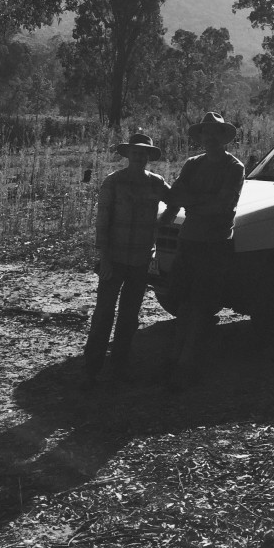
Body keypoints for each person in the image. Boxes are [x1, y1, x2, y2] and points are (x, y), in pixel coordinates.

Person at [162, 111, 245, 390]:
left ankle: (187, 365)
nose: (209, 139)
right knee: (183, 302)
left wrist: (191, 203)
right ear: (201, 138)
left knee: (201, 305)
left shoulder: (234, 167)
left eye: (215, 134)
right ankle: (176, 360)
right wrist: (166, 219)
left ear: (223, 138)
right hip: (190, 241)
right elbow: (175, 197)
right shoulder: (192, 164)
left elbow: (223, 206)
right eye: (205, 134)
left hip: (215, 244)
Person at [83, 130, 172, 385]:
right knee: (103, 314)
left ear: (148, 157)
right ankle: (91, 369)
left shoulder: (156, 182)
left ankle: (119, 367)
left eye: (143, 153)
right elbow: (103, 222)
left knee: (129, 315)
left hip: (141, 260)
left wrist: (162, 222)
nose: (139, 157)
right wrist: (105, 258)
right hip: (115, 258)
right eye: (135, 152)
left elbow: (176, 200)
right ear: (128, 155)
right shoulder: (114, 181)